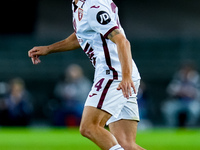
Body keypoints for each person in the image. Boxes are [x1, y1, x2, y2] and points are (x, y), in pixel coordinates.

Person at [28, 0, 145, 149]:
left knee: (89, 127)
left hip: (114, 74)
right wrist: (49, 49)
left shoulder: (93, 7)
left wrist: (125, 76)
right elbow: (83, 34)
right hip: (122, 72)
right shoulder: (80, 5)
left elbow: (122, 41)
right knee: (126, 144)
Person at [162, 61, 200, 127]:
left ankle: (190, 127)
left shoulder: (196, 78)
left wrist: (191, 92)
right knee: (168, 109)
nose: (186, 71)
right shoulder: (178, 77)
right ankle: (172, 127)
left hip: (192, 102)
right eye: (184, 69)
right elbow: (170, 90)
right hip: (178, 101)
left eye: (188, 70)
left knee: (195, 110)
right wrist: (179, 91)